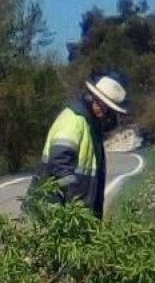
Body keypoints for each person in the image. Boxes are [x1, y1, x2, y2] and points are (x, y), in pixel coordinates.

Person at [28, 73, 129, 219]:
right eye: (102, 104)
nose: (104, 111)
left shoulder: (91, 125)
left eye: (108, 108)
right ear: (92, 97)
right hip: (56, 211)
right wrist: (75, 203)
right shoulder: (74, 120)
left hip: (73, 213)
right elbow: (60, 164)